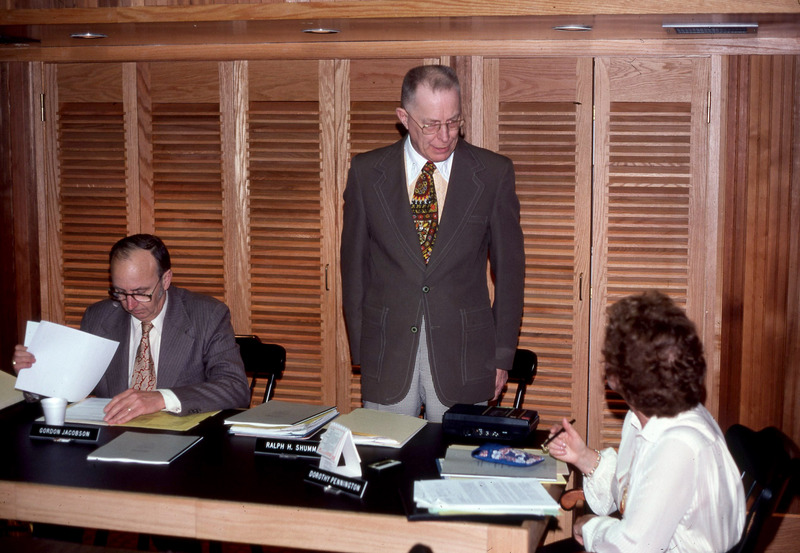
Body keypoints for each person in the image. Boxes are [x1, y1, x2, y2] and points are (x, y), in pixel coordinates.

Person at [341, 64, 525, 423]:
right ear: (404, 118)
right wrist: (363, 352)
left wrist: (502, 356)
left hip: (466, 359)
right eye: (431, 124)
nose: (444, 136)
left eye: (453, 122)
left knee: (456, 458)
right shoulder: (366, 173)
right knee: (386, 453)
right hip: (388, 357)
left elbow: (510, 273)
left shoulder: (493, 173)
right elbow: (354, 269)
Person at [543, 290, 745, 553]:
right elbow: (638, 492)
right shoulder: (646, 418)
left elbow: (633, 548)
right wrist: (583, 457)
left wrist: (591, 526)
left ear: (617, 377)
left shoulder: (678, 445)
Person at [12, 233, 250, 425]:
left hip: (182, 441)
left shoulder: (207, 315)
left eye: (140, 292)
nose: (130, 304)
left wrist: (161, 398)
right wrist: (36, 373)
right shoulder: (99, 316)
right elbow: (72, 384)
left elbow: (235, 388)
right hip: (113, 435)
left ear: (166, 279)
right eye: (120, 292)